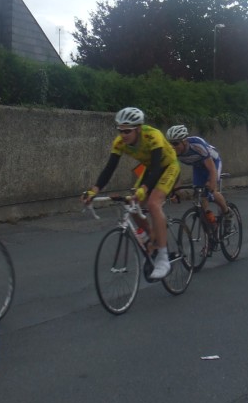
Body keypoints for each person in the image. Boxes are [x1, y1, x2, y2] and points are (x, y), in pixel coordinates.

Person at [83, 107, 180, 279]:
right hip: (150, 169)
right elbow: (109, 169)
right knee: (132, 203)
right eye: (120, 130)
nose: (123, 134)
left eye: (127, 131)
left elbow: (158, 167)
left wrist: (144, 189)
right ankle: (152, 238)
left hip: (168, 166)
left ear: (138, 129)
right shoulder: (119, 143)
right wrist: (93, 191)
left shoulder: (153, 135)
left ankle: (164, 259)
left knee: (152, 203)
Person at [165, 125, 231, 227]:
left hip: (213, 163)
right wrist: (175, 190)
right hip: (198, 166)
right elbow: (176, 171)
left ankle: (227, 213)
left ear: (184, 141)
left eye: (175, 143)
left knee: (210, 192)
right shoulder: (172, 151)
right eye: (170, 143)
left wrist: (211, 183)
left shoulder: (197, 145)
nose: (172, 146)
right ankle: (210, 223)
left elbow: (212, 169)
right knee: (199, 197)